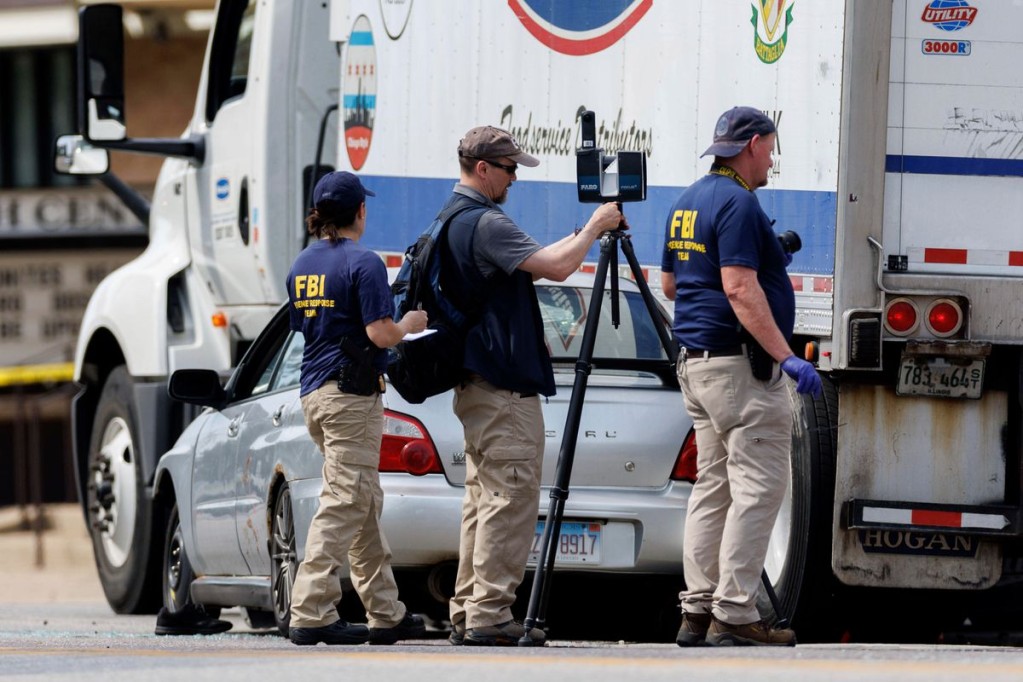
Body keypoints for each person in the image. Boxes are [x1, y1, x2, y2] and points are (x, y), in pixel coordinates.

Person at [440, 126, 624, 646]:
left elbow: (538, 262)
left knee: (484, 498)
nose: (515, 178)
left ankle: (468, 607)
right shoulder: (486, 222)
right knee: (510, 498)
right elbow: (561, 269)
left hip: (478, 385)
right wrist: (593, 228)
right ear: (483, 169)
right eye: (509, 168)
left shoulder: (455, 218)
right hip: (502, 390)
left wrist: (582, 232)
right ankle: (491, 614)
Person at [660, 106, 822, 647]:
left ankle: (697, 610)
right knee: (760, 487)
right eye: (771, 149)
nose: (772, 161)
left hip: (697, 364)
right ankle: (734, 612)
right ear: (751, 144)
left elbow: (670, 284)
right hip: (740, 371)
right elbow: (739, 288)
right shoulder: (739, 204)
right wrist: (787, 355)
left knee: (713, 486)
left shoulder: (687, 201)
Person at [286, 171, 430, 646]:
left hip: (314, 393)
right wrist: (409, 322)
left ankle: (386, 613)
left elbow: (303, 326)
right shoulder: (364, 263)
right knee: (345, 500)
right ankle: (310, 610)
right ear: (360, 213)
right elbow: (380, 333)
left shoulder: (302, 264)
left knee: (363, 502)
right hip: (350, 397)